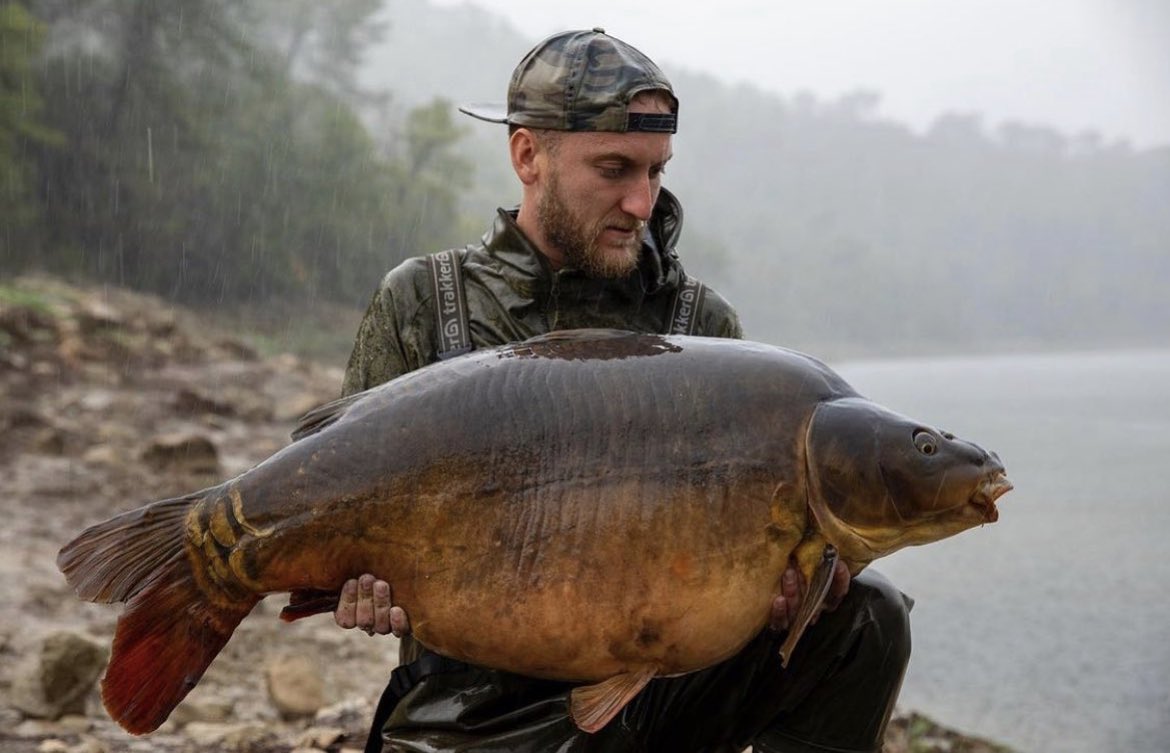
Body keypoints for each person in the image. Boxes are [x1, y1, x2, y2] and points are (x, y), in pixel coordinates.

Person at [333, 28, 911, 753]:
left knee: (867, 615)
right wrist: (357, 584)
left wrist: (782, 592)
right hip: (473, 710)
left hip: (663, 695)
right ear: (526, 155)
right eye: (613, 169)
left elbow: (753, 547)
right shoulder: (423, 301)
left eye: (656, 172)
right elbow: (339, 499)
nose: (641, 203)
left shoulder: (700, 325)